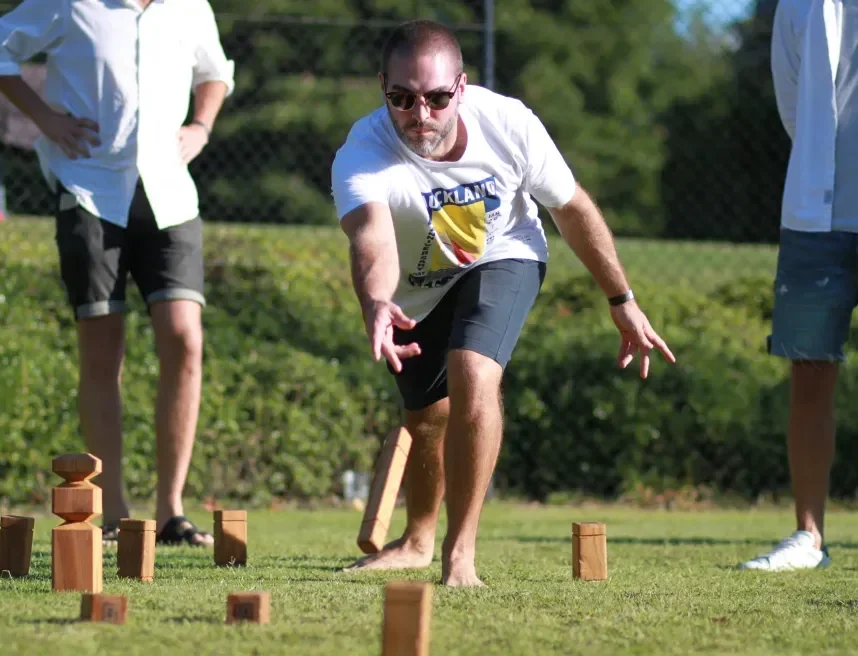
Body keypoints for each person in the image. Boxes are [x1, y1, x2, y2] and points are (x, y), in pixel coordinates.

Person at [330, 20, 675, 587]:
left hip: (503, 253)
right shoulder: (363, 152)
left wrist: (622, 298)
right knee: (426, 417)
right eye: (402, 99)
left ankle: (459, 552)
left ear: (460, 88)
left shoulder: (509, 125)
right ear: (382, 90)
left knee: (474, 373)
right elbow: (372, 239)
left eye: (438, 98)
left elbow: (573, 211)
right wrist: (375, 301)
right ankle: (417, 540)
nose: (421, 115)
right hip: (417, 286)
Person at [0, 0, 235, 547]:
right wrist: (44, 119)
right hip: (90, 191)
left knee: (185, 339)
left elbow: (215, 72)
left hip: (171, 194)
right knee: (101, 347)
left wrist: (201, 126)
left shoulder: (190, 7)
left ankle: (171, 513)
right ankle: (113, 512)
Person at [737, 0, 852, 571]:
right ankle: (808, 537)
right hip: (816, 214)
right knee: (809, 370)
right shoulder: (799, 4)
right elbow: (793, 103)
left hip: (816, 213)